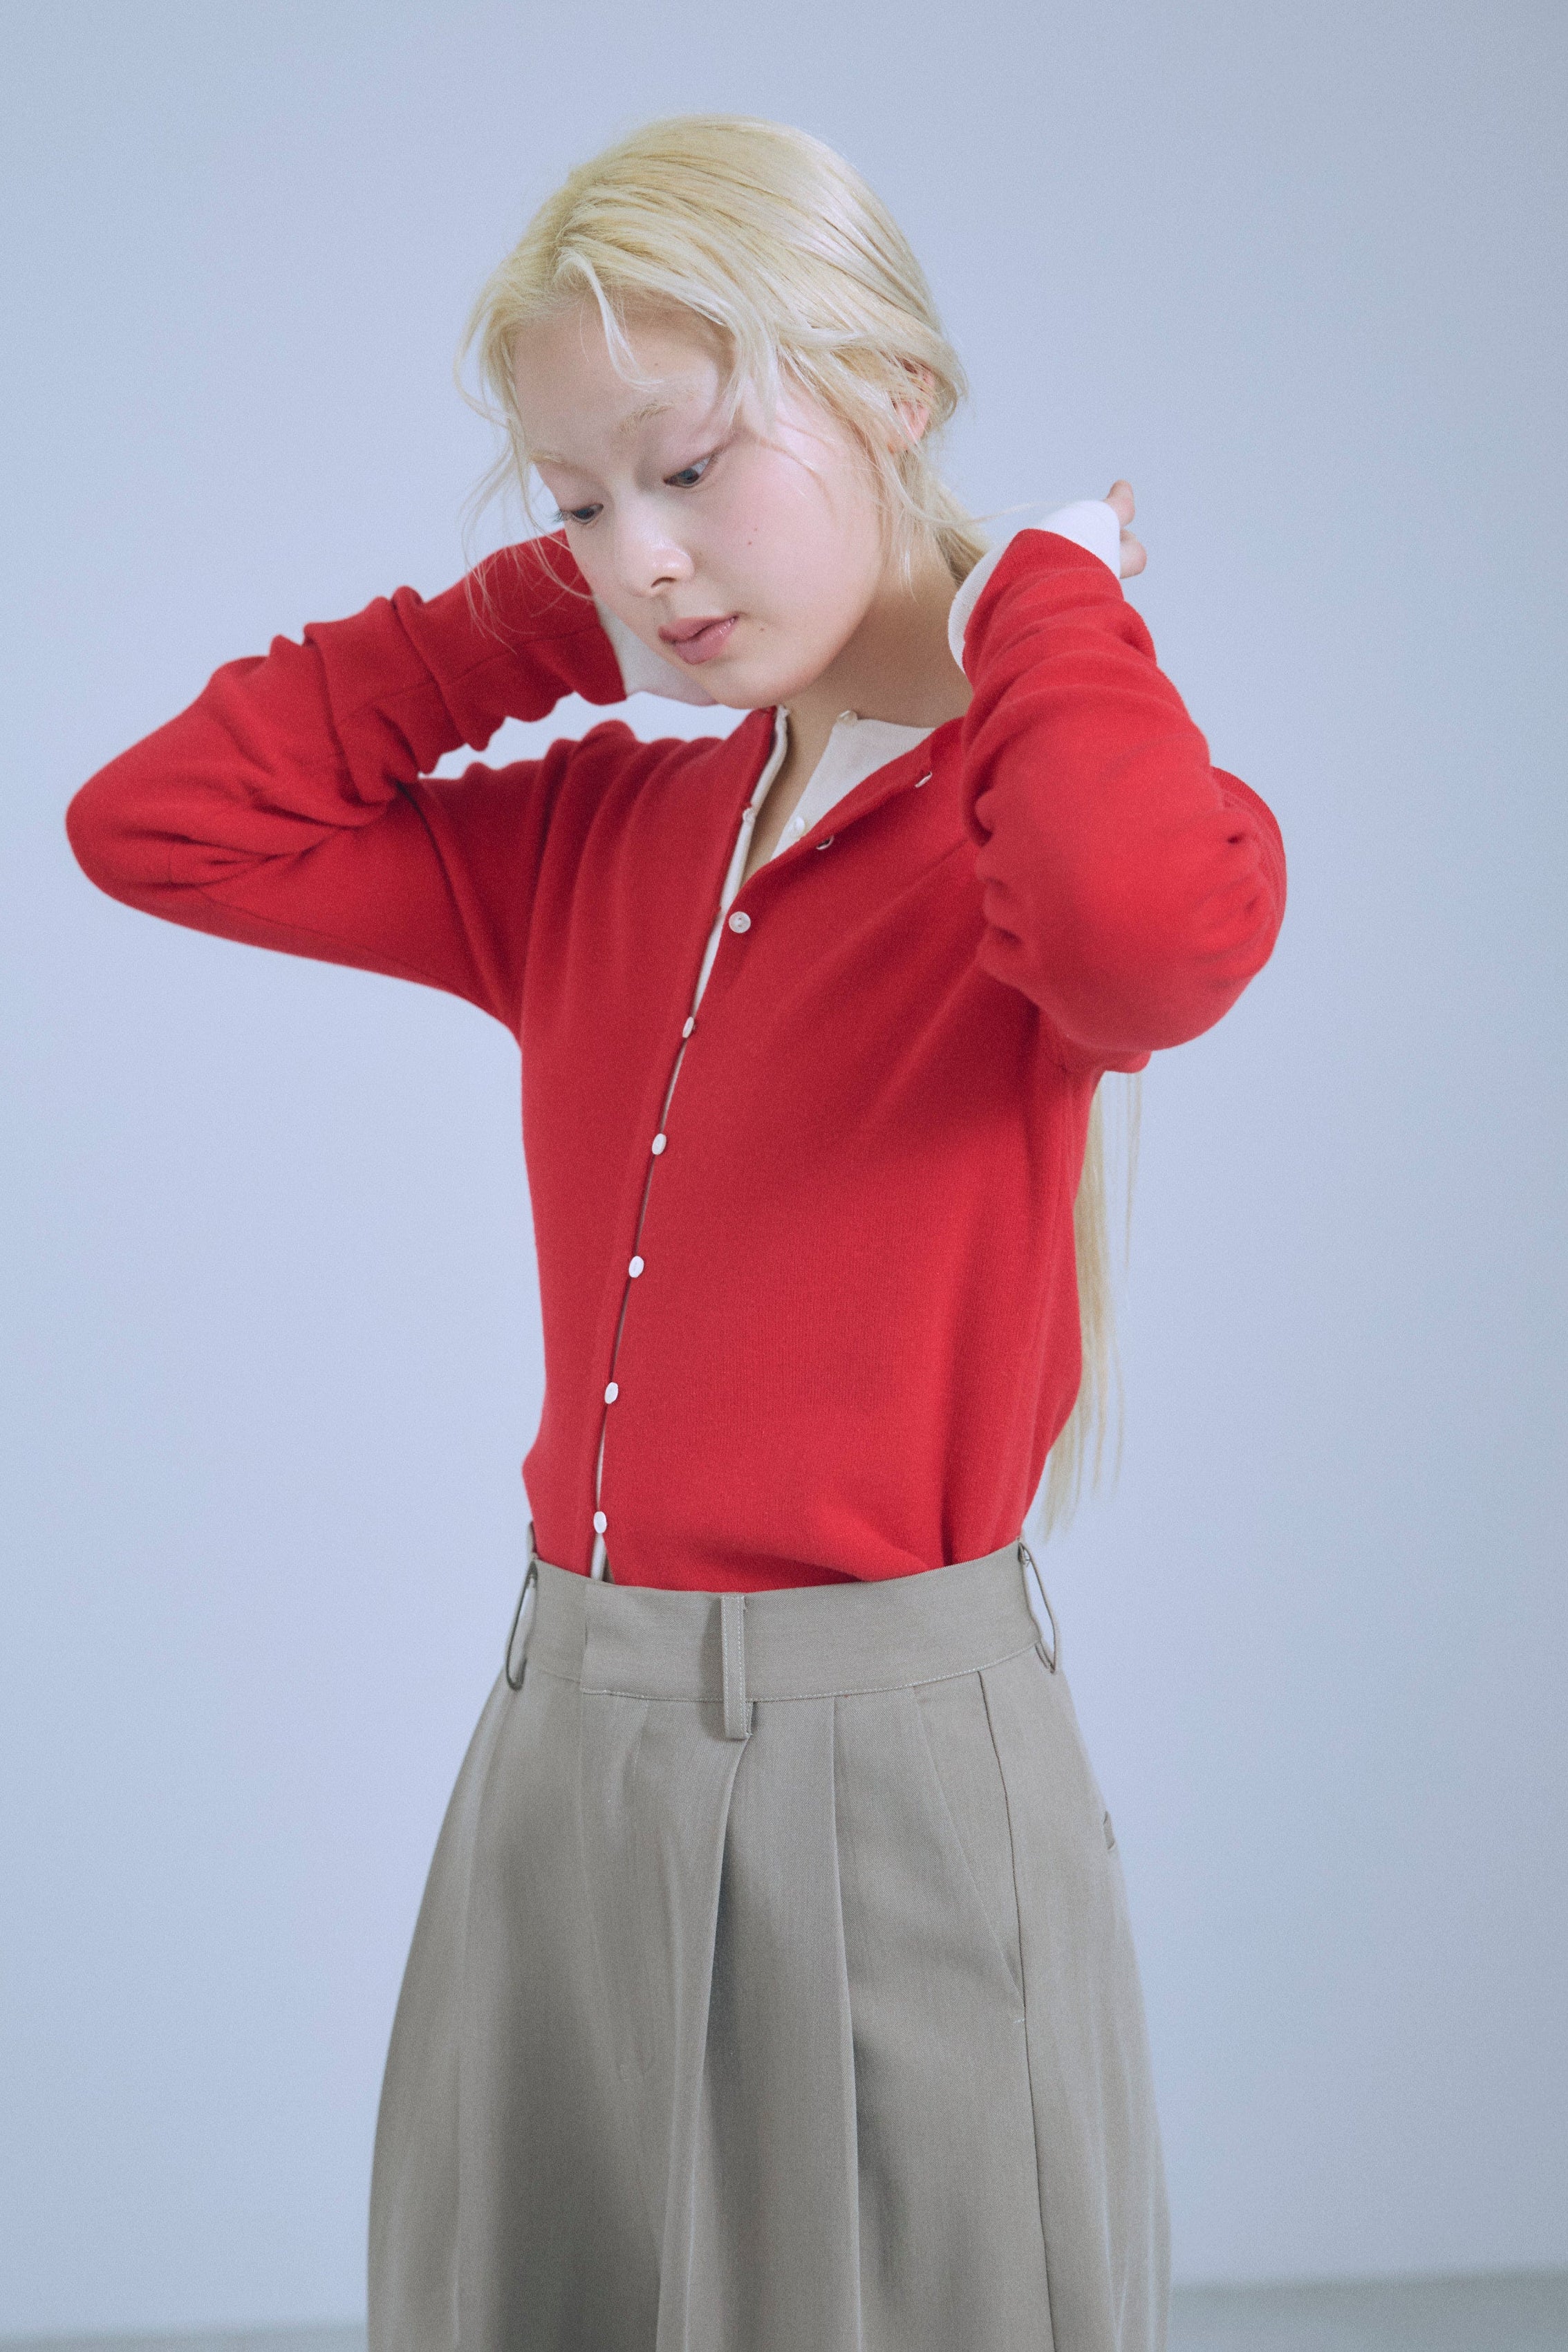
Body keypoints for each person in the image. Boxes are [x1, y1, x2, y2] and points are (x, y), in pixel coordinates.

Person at [66, 113, 1286, 2352]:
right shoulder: (606, 833)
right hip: (565, 1740)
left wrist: (1042, 599)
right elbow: (159, 825)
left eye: (693, 468)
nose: (642, 556)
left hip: (897, 1769)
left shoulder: (1031, 817)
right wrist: (563, 603)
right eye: (575, 501)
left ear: (893, 395)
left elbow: (1138, 935)